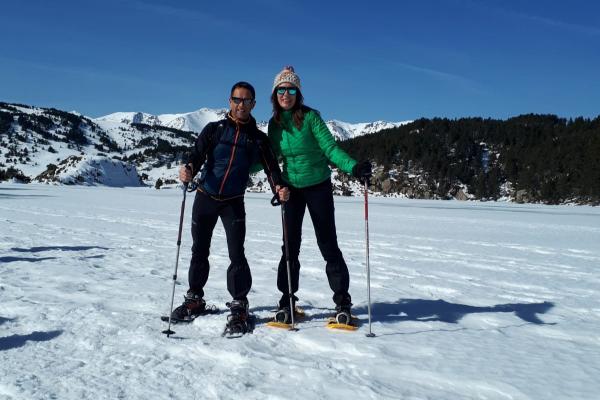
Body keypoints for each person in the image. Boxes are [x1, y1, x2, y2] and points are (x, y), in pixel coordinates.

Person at [172, 81, 284, 331]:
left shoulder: (258, 139)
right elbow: (196, 156)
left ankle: (239, 302)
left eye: (246, 100)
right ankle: (194, 299)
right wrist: (188, 169)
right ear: (229, 101)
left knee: (237, 254)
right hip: (205, 197)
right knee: (199, 250)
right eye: (236, 99)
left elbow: (271, 168)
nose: (240, 104)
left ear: (253, 104)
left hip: (233, 201)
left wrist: (278, 186)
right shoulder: (214, 130)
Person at [267, 66, 372, 325]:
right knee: (290, 247)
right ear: (275, 94)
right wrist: (234, 167)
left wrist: (353, 167)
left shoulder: (311, 117)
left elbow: (330, 149)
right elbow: (267, 157)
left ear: (298, 93)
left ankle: (342, 301)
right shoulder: (275, 124)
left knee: (327, 244)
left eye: (291, 89)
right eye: (281, 89)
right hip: (290, 189)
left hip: (318, 187)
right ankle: (287, 300)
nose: (286, 94)